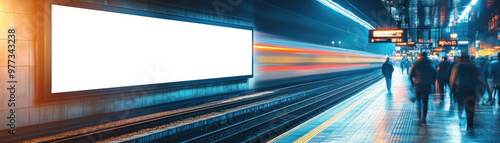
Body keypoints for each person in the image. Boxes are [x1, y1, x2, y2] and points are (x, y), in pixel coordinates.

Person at [449, 54, 485, 132]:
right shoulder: (474, 66)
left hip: (461, 88)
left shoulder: (457, 67)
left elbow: (452, 78)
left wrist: (452, 88)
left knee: (462, 103)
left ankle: (461, 112)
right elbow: (479, 78)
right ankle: (470, 125)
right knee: (470, 108)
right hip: (472, 89)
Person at [409, 52, 437, 124]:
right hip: (427, 85)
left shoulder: (416, 63)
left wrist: (413, 83)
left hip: (418, 85)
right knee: (425, 102)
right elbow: (435, 74)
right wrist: (431, 82)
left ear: (420, 56)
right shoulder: (430, 63)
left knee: (418, 101)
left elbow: (411, 75)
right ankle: (424, 118)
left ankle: (419, 114)